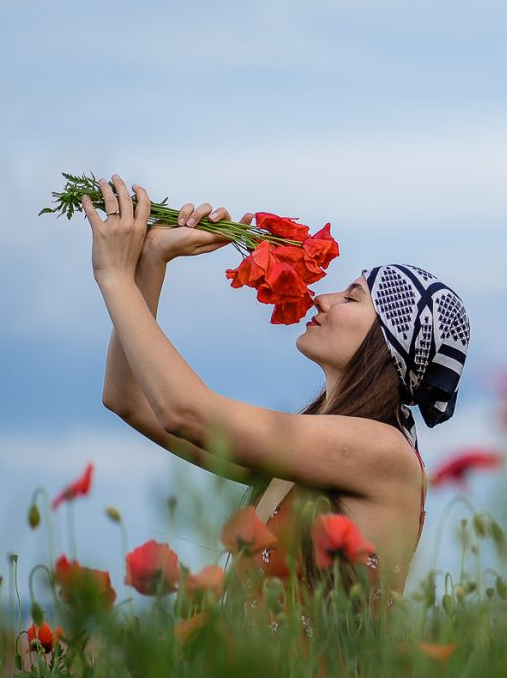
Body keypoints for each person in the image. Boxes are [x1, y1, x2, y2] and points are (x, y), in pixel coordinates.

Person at [89, 174, 470, 616]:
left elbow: (184, 412)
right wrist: (152, 260)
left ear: (388, 345)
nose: (323, 299)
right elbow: (127, 397)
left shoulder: (382, 450)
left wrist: (115, 277)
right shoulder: (310, 453)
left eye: (352, 297)